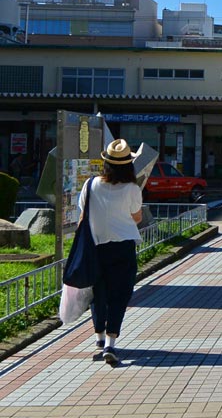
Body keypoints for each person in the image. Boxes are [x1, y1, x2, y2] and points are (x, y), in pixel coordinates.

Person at [79, 139, 143, 366]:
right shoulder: (132, 188)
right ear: (129, 165)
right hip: (123, 248)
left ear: (105, 163)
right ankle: (110, 343)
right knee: (119, 295)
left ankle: (98, 336)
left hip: (95, 247)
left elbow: (83, 216)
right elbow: (137, 217)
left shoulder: (90, 184)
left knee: (98, 292)